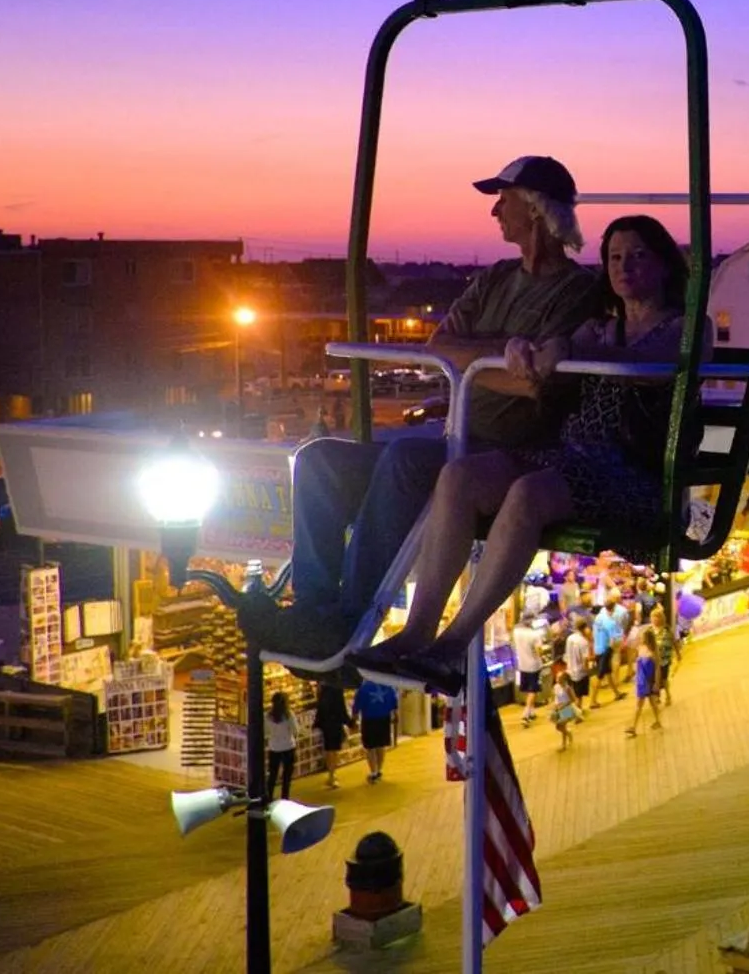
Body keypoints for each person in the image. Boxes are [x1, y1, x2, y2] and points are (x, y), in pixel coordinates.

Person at [248, 156, 604, 658]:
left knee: (406, 460)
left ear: (534, 208)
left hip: (513, 455)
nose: (494, 212)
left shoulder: (579, 291)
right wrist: (501, 351)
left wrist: (483, 356)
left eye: (503, 200)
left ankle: (348, 619)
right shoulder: (496, 278)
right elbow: (439, 346)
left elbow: (534, 383)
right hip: (458, 444)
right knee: (318, 459)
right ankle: (314, 608)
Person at [347, 215, 694, 694]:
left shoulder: (683, 330)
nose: (624, 266)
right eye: (614, 256)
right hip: (570, 455)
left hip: (626, 471)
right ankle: (418, 630)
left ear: (663, 265)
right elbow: (559, 351)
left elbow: (646, 367)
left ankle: (452, 648)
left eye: (637, 255)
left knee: (530, 493)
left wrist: (567, 354)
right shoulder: (602, 328)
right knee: (460, 476)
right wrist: (531, 350)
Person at [354, 679, 398, 782]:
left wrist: (354, 717)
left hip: (369, 719)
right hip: (384, 718)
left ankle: (373, 772)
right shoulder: (388, 684)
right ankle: (379, 770)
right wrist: (395, 714)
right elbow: (394, 700)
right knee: (381, 745)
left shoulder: (364, 687)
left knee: (370, 747)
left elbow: (358, 704)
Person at [625, 625, 664, 737]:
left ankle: (634, 727)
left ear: (647, 639)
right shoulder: (640, 648)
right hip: (642, 681)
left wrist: (656, 683)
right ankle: (655, 721)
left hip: (648, 681)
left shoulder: (653, 652)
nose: (640, 638)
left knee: (644, 704)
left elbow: (657, 669)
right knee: (647, 703)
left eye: (642, 637)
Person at [314, 681, 354, 788]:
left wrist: (318, 723)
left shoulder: (322, 691)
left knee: (328, 749)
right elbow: (341, 709)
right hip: (335, 723)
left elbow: (320, 709)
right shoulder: (337, 689)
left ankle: (331, 774)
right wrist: (349, 722)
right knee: (334, 750)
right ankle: (332, 774)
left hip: (326, 724)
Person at [512, 615, 547, 726]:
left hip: (522, 664)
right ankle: (525, 714)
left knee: (529, 689)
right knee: (533, 690)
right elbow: (539, 651)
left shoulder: (517, 632)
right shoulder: (534, 635)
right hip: (534, 665)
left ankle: (531, 712)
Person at [264, 691, 298, 802]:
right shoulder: (289, 715)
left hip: (274, 748)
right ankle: (285, 798)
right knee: (286, 777)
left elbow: (265, 732)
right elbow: (295, 730)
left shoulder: (267, 716)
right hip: (288, 747)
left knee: (272, 775)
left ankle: (269, 797)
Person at [562, 615, 594, 710]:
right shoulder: (583, 642)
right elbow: (585, 660)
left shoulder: (570, 638)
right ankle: (574, 714)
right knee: (579, 697)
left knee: (573, 695)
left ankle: (575, 712)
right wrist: (588, 670)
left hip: (570, 669)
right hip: (579, 672)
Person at [548, 667, 582, 749]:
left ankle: (564, 744)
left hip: (567, 709)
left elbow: (573, 699)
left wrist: (564, 705)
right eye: (557, 677)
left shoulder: (567, 688)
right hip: (558, 708)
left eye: (559, 678)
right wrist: (554, 706)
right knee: (558, 727)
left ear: (563, 679)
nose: (557, 679)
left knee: (562, 725)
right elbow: (555, 698)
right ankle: (568, 733)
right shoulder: (556, 687)